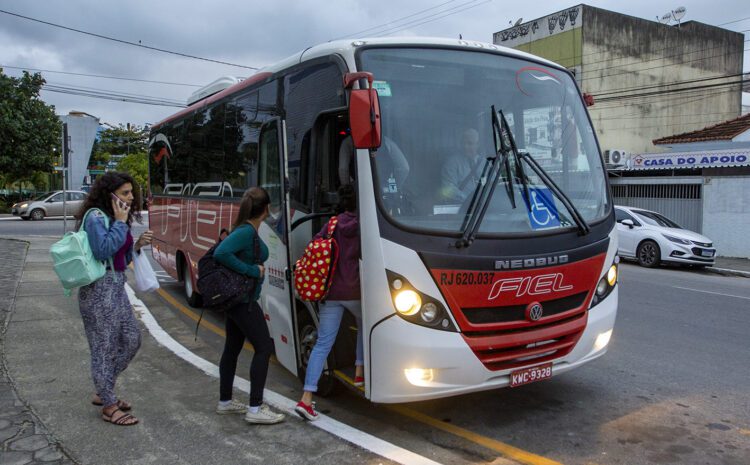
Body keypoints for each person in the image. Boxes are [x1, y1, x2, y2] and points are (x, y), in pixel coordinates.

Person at [76, 172, 153, 426]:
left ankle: (104, 389)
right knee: (104, 347)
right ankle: (108, 404)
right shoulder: (97, 218)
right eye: (125, 193)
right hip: (98, 289)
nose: (131, 198)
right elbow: (102, 251)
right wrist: (120, 223)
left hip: (117, 285)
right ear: (109, 195)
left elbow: (121, 257)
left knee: (132, 339)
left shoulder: (115, 218)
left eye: (132, 193)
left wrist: (137, 244)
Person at [212, 187, 285, 425]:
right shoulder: (245, 232)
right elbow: (221, 252)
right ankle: (255, 408)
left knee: (232, 349)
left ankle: (225, 402)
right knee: (264, 348)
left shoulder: (248, 229)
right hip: (243, 301)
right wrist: (252, 270)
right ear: (265, 209)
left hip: (238, 300)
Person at [295, 185, 364, 421]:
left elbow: (314, 247)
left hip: (330, 292)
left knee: (323, 343)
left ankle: (306, 398)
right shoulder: (364, 226)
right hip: (355, 292)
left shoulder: (333, 224)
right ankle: (359, 372)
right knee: (366, 326)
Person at [439, 128, 483, 203]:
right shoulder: (451, 163)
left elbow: (493, 186)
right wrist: (469, 201)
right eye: (463, 143)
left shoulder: (486, 164)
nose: (465, 146)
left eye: (470, 143)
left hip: (486, 208)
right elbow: (448, 188)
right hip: (461, 209)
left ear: (478, 145)